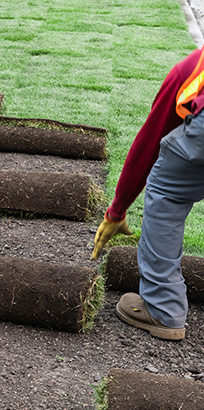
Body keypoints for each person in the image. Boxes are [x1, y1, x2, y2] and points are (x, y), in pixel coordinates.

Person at [91, 47, 204, 341]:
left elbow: (148, 145)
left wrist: (117, 210)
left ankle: (163, 310)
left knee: (168, 191)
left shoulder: (190, 68)